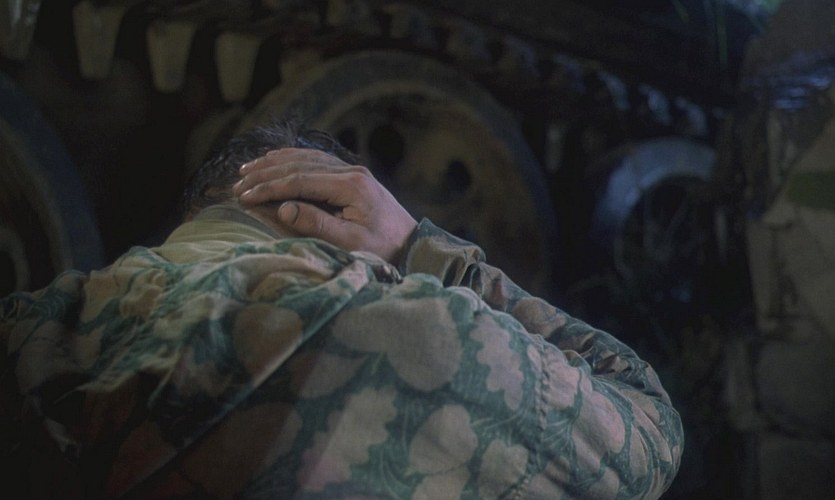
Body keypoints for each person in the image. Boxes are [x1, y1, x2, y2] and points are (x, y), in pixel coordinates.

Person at [0, 121, 683, 499]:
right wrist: (423, 249)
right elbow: (650, 430)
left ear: (196, 219)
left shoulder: (28, 326)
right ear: (339, 213)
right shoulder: (429, 333)